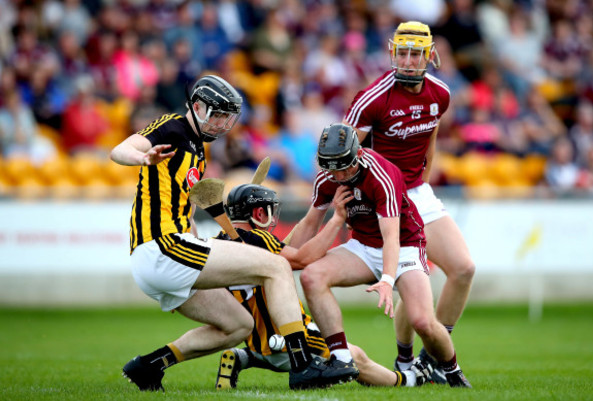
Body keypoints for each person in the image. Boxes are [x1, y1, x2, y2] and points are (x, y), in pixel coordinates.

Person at [109, 74, 358, 391]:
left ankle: (149, 366)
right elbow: (120, 149)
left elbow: (188, 205)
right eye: (219, 115)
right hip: (163, 247)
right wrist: (141, 157)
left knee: (239, 325)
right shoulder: (174, 127)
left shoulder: (197, 148)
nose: (223, 124)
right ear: (197, 107)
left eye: (229, 117)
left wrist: (200, 234)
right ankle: (302, 365)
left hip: (164, 255)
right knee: (277, 266)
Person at [341, 21, 476, 374]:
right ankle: (405, 358)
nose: (409, 60)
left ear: (430, 56)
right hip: (381, 196)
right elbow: (341, 154)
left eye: (416, 53)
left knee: (463, 269)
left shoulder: (440, 94)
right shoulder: (371, 99)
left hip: (417, 192)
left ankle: (430, 357)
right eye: (402, 52)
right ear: (392, 52)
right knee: (413, 283)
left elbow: (430, 138)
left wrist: (424, 183)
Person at [294, 123, 471, 388]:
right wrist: (282, 257)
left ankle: (452, 370)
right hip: (364, 246)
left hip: (405, 244)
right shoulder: (328, 177)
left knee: (423, 322)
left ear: (357, 155)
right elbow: (309, 223)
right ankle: (341, 358)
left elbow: (392, 237)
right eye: (332, 167)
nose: (340, 175)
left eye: (344, 166)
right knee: (311, 277)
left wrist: (388, 279)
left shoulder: (381, 173)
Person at [213, 183, 434, 389]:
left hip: (256, 339)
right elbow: (302, 258)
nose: (272, 216)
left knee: (279, 351)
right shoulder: (257, 239)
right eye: (267, 210)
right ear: (258, 213)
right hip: (287, 337)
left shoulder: (220, 242)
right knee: (353, 357)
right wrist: (337, 218)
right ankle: (407, 380)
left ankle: (242, 357)